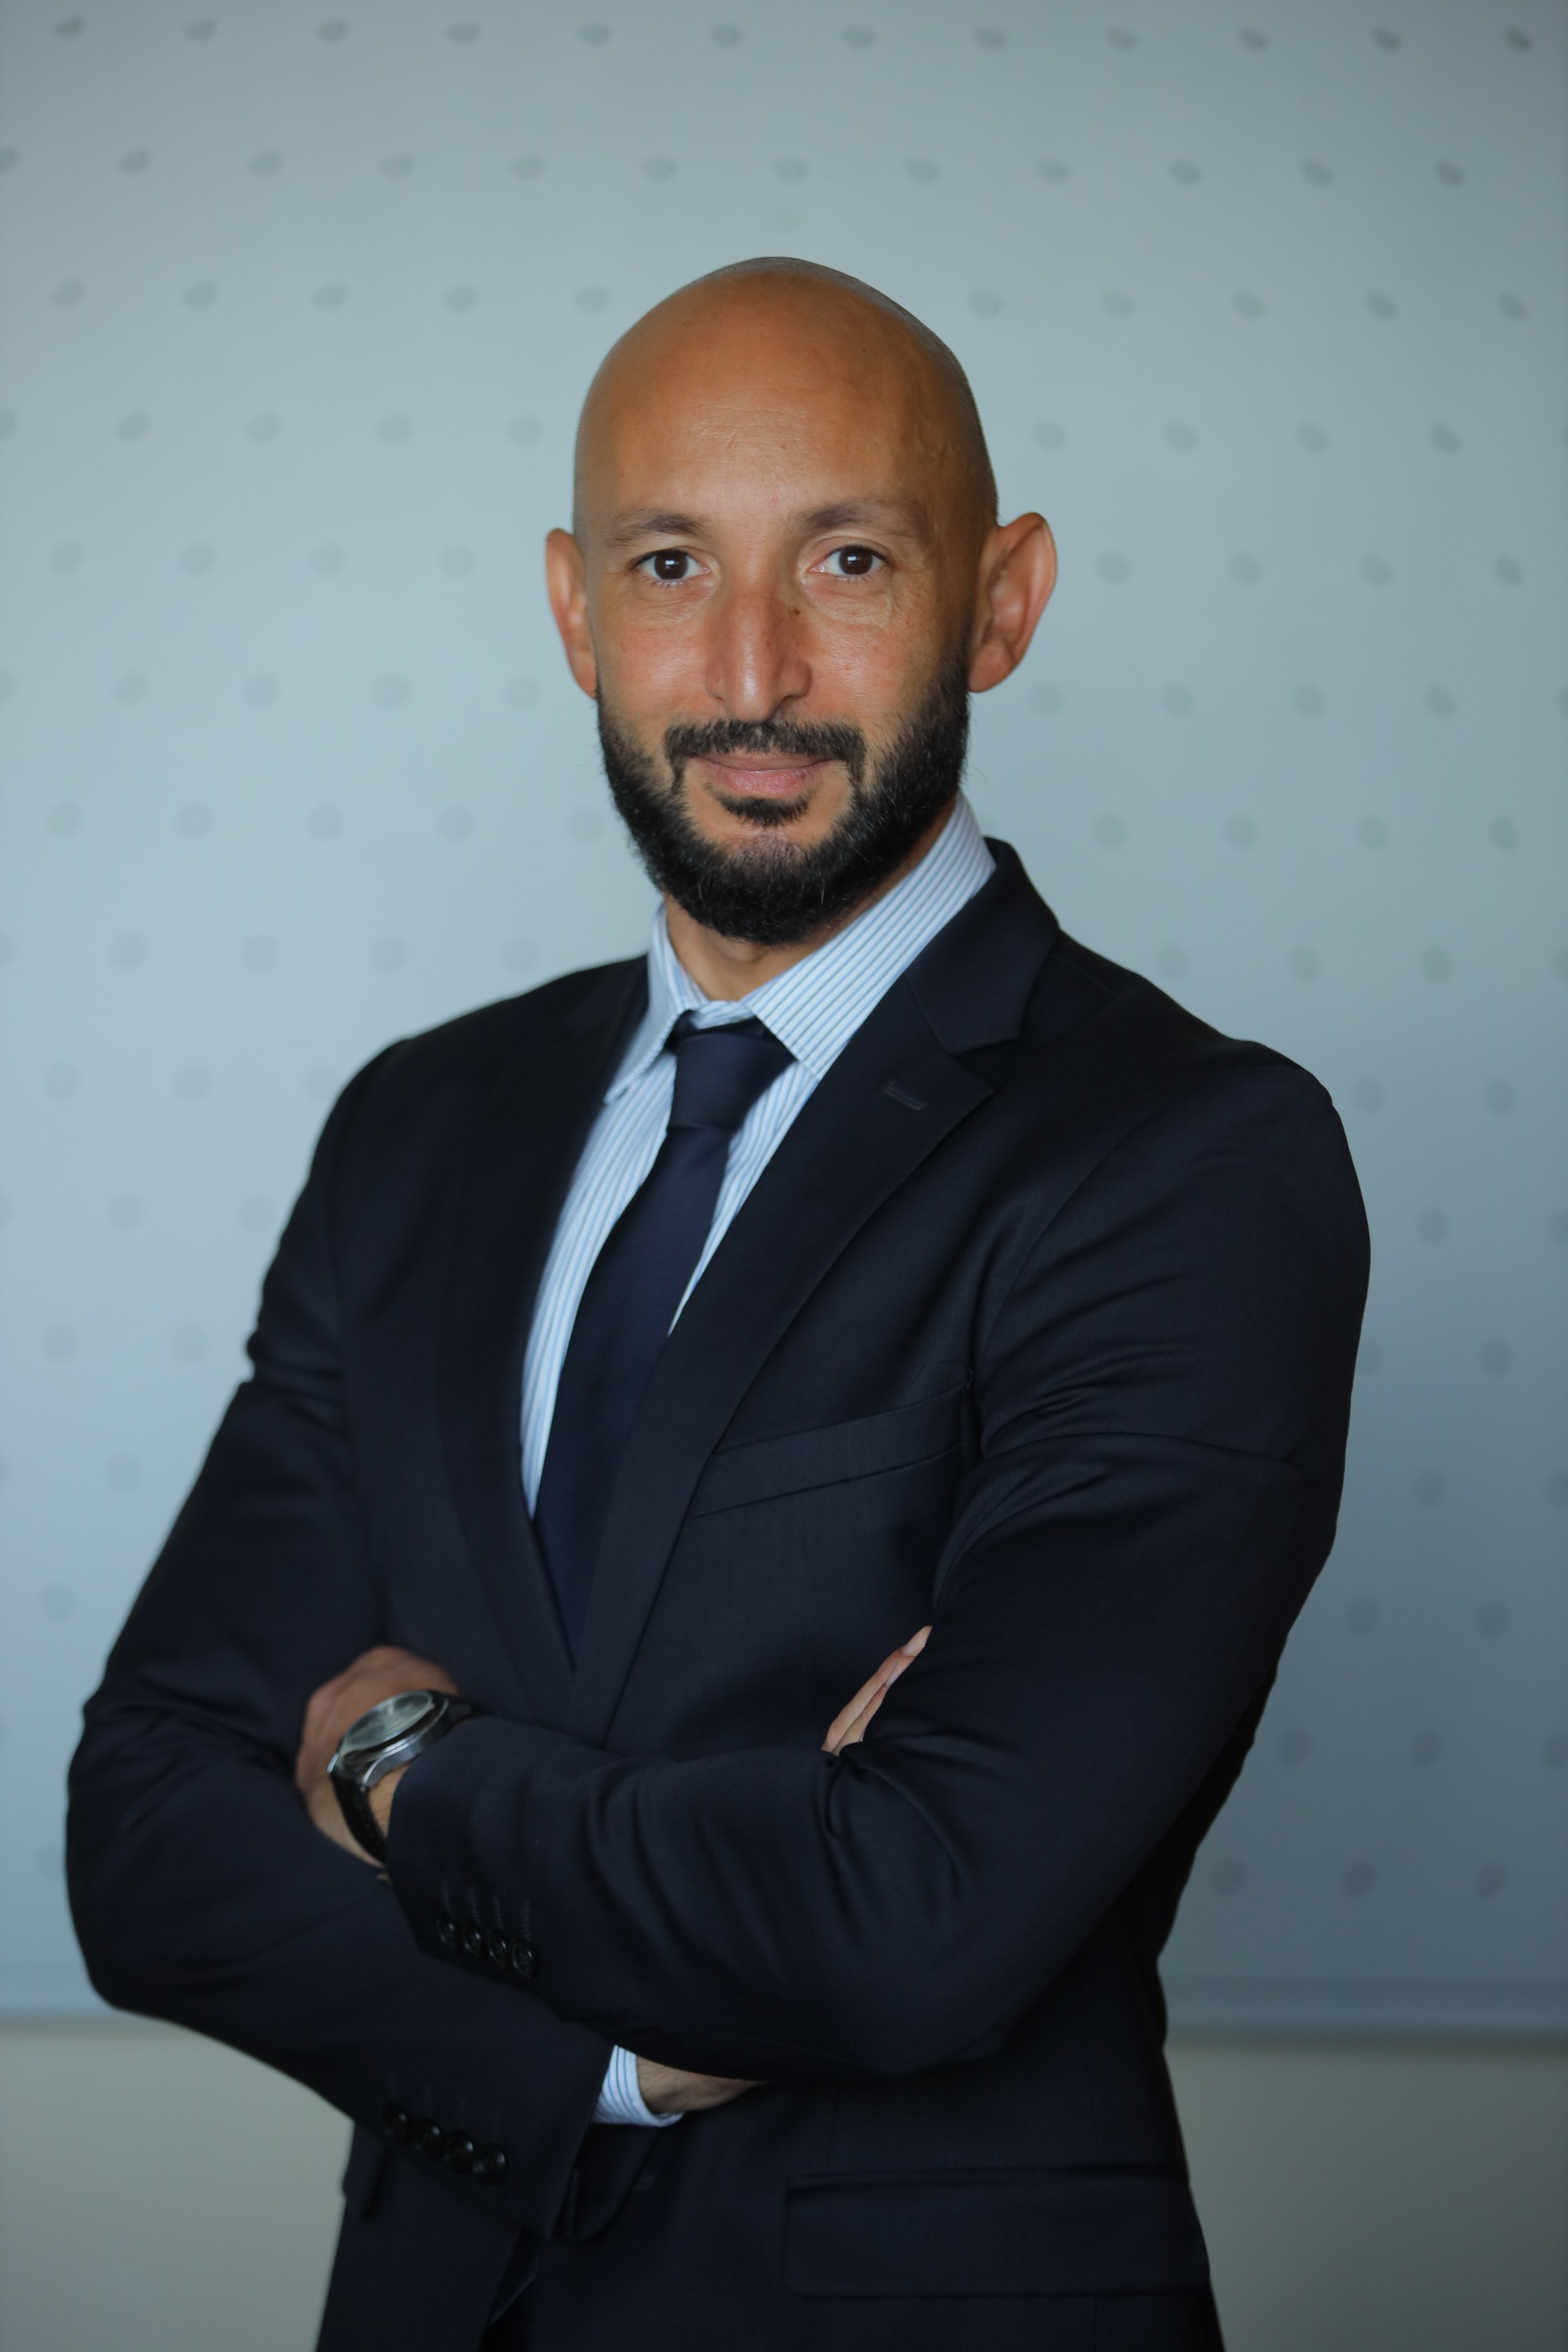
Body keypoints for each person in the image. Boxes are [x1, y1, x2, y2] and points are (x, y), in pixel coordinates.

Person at [68, 258, 1368, 2352]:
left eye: (847, 559)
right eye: (675, 564)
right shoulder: (421, 1123)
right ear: (579, 612)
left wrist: (400, 1766)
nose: (750, 667)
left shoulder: (1182, 1158)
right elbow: (143, 1827)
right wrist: (595, 2068)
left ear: (1003, 601)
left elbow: (913, 1915)